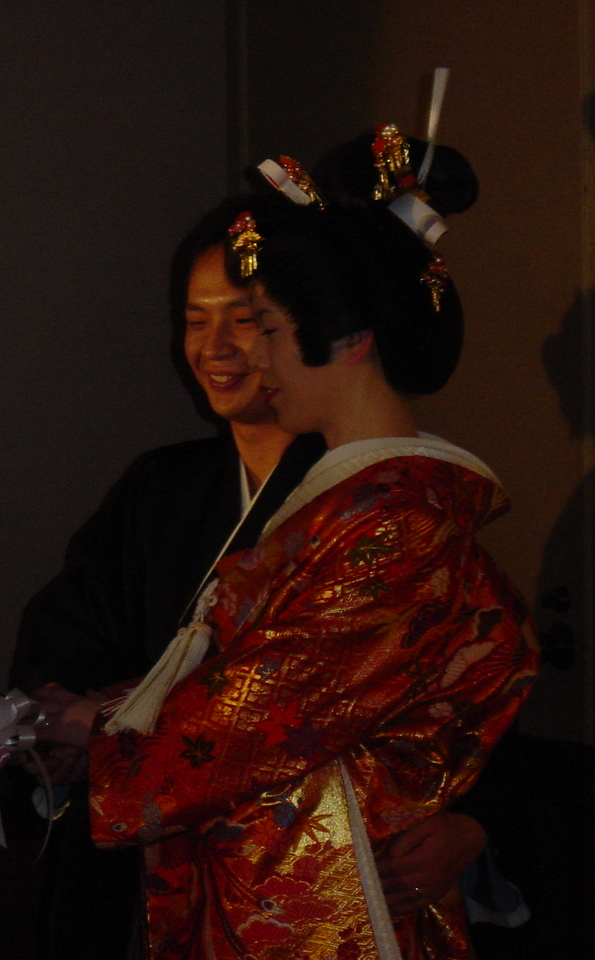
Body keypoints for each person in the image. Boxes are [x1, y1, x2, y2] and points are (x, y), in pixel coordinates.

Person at [38, 147, 537, 958]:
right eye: (200, 319)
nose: (248, 356)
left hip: (325, 882)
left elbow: (261, 713)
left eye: (263, 326)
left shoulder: (395, 518)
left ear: (349, 337)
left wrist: (103, 729)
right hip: (259, 871)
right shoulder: (355, 501)